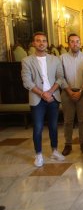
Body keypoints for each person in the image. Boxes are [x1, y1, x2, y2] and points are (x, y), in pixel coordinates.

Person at [21, 32, 66, 167]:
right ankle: (39, 154)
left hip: (53, 97)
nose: (42, 43)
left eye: (44, 41)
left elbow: (60, 77)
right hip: (37, 98)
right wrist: (42, 94)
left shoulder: (55, 59)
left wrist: (50, 92)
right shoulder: (27, 61)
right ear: (34, 43)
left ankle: (54, 151)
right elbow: (26, 81)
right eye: (38, 41)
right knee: (38, 127)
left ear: (47, 43)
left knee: (53, 126)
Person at [60, 33, 83, 156]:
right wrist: (69, 91)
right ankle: (68, 144)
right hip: (67, 92)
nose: (75, 44)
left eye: (77, 41)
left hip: (82, 92)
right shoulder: (62, 58)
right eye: (72, 41)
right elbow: (60, 76)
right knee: (68, 120)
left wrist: (80, 91)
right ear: (68, 43)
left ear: (80, 43)